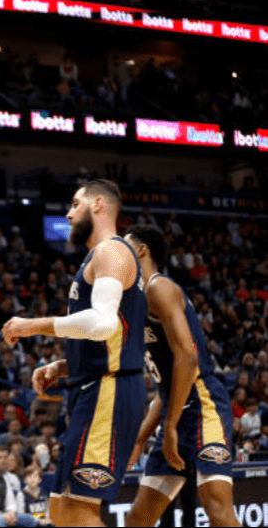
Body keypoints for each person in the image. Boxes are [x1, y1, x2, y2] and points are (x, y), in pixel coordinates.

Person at [2, 180, 147, 527]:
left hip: (109, 391)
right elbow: (112, 340)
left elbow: (102, 324)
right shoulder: (99, 256)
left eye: (74, 204)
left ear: (98, 204)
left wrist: (32, 325)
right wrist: (63, 366)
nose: (68, 214)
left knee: (79, 511)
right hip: (95, 385)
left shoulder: (112, 251)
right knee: (61, 509)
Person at [122, 225, 239, 527]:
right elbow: (167, 389)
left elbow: (188, 358)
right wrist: (140, 440)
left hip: (203, 407)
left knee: (219, 512)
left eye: (124, 246)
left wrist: (170, 426)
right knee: (138, 519)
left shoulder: (158, 287)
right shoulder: (135, 304)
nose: (117, 254)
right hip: (175, 411)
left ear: (142, 250)